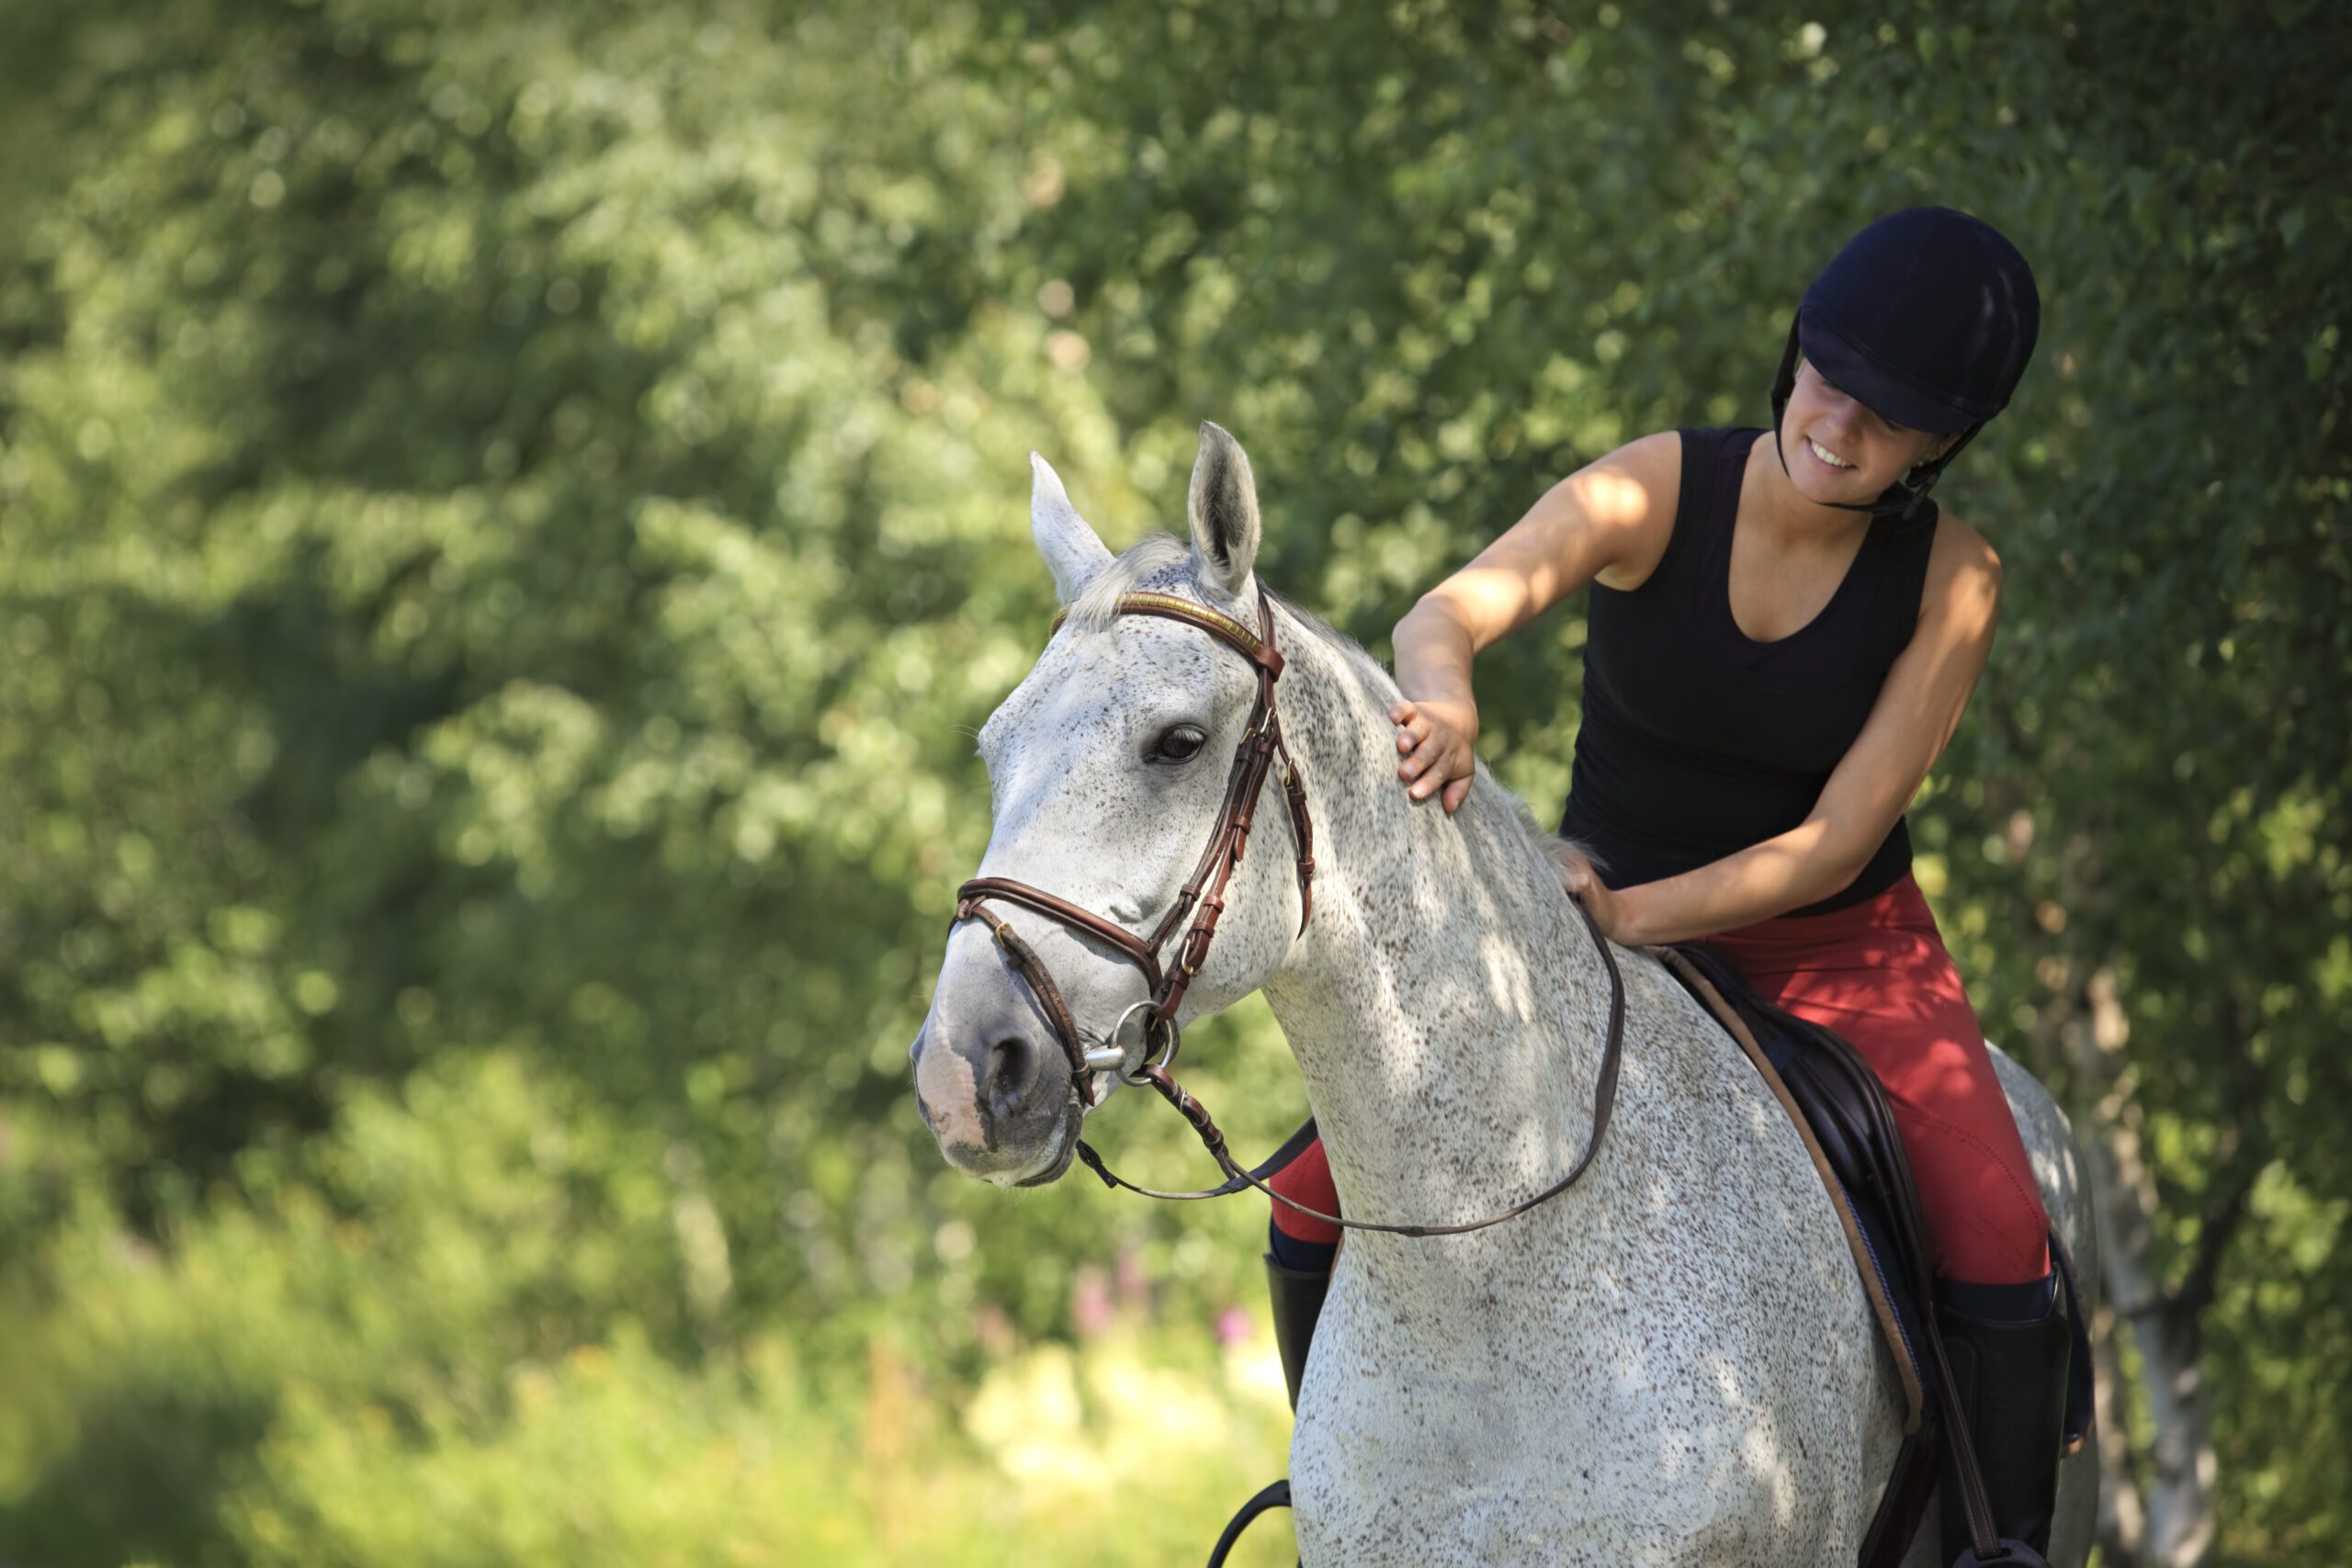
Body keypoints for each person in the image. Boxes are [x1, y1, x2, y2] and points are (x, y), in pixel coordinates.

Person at [1261, 207, 2068, 1561]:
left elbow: (1834, 835)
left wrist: (1637, 915)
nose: (1841, 425)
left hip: (1837, 946)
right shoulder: (1654, 488)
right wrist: (1445, 702)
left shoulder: (1955, 579)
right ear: (1795, 356)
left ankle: (2007, 1550)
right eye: (1830, 378)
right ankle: (1353, 1502)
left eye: (1891, 416)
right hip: (1588, 931)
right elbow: (1441, 615)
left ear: (1944, 443)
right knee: (1303, 1188)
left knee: (1999, 1226)